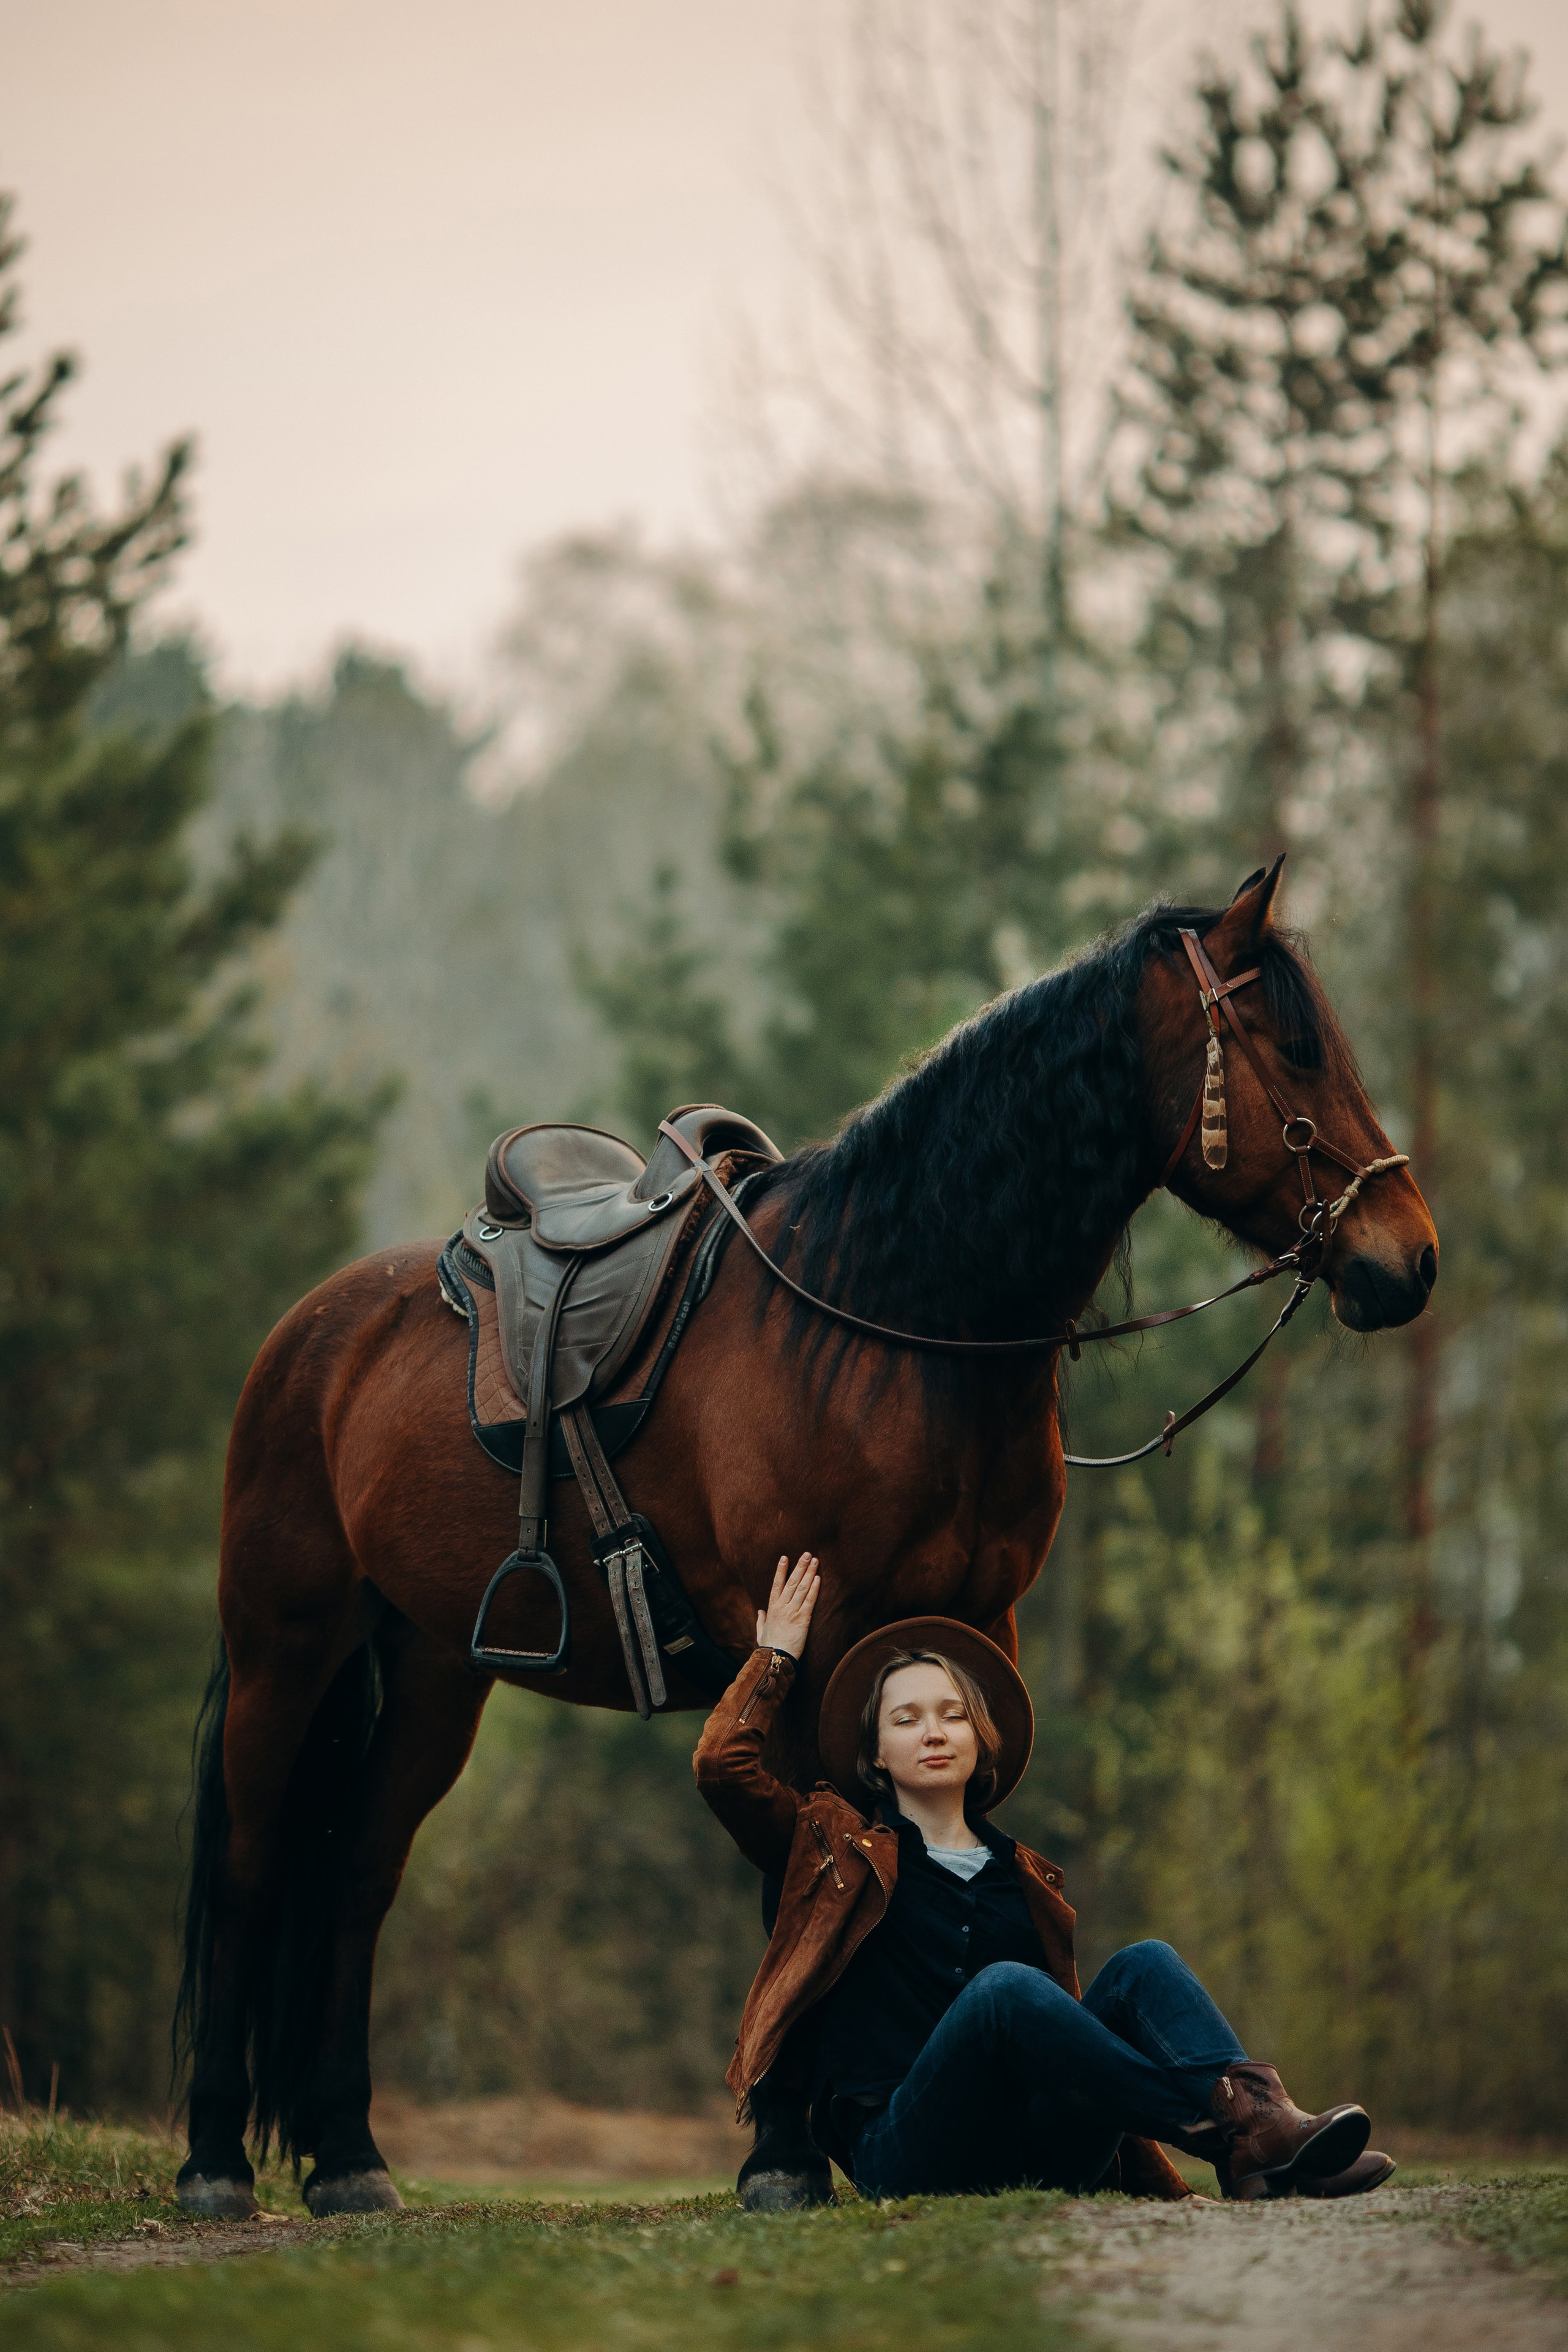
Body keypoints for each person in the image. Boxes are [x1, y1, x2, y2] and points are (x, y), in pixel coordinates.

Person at [695, 1551, 1395, 2204]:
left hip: (1041, 2150)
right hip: (906, 2152)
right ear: (875, 1753)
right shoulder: (834, 1850)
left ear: (980, 1740)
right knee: (1004, 1990)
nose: (933, 1732)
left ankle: (1261, 2130)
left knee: (1143, 1964)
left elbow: (1081, 2056)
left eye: (952, 1715)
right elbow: (722, 1767)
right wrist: (776, 1656)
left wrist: (1161, 2186)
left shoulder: (1025, 1881)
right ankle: (1245, 2135)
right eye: (905, 1720)